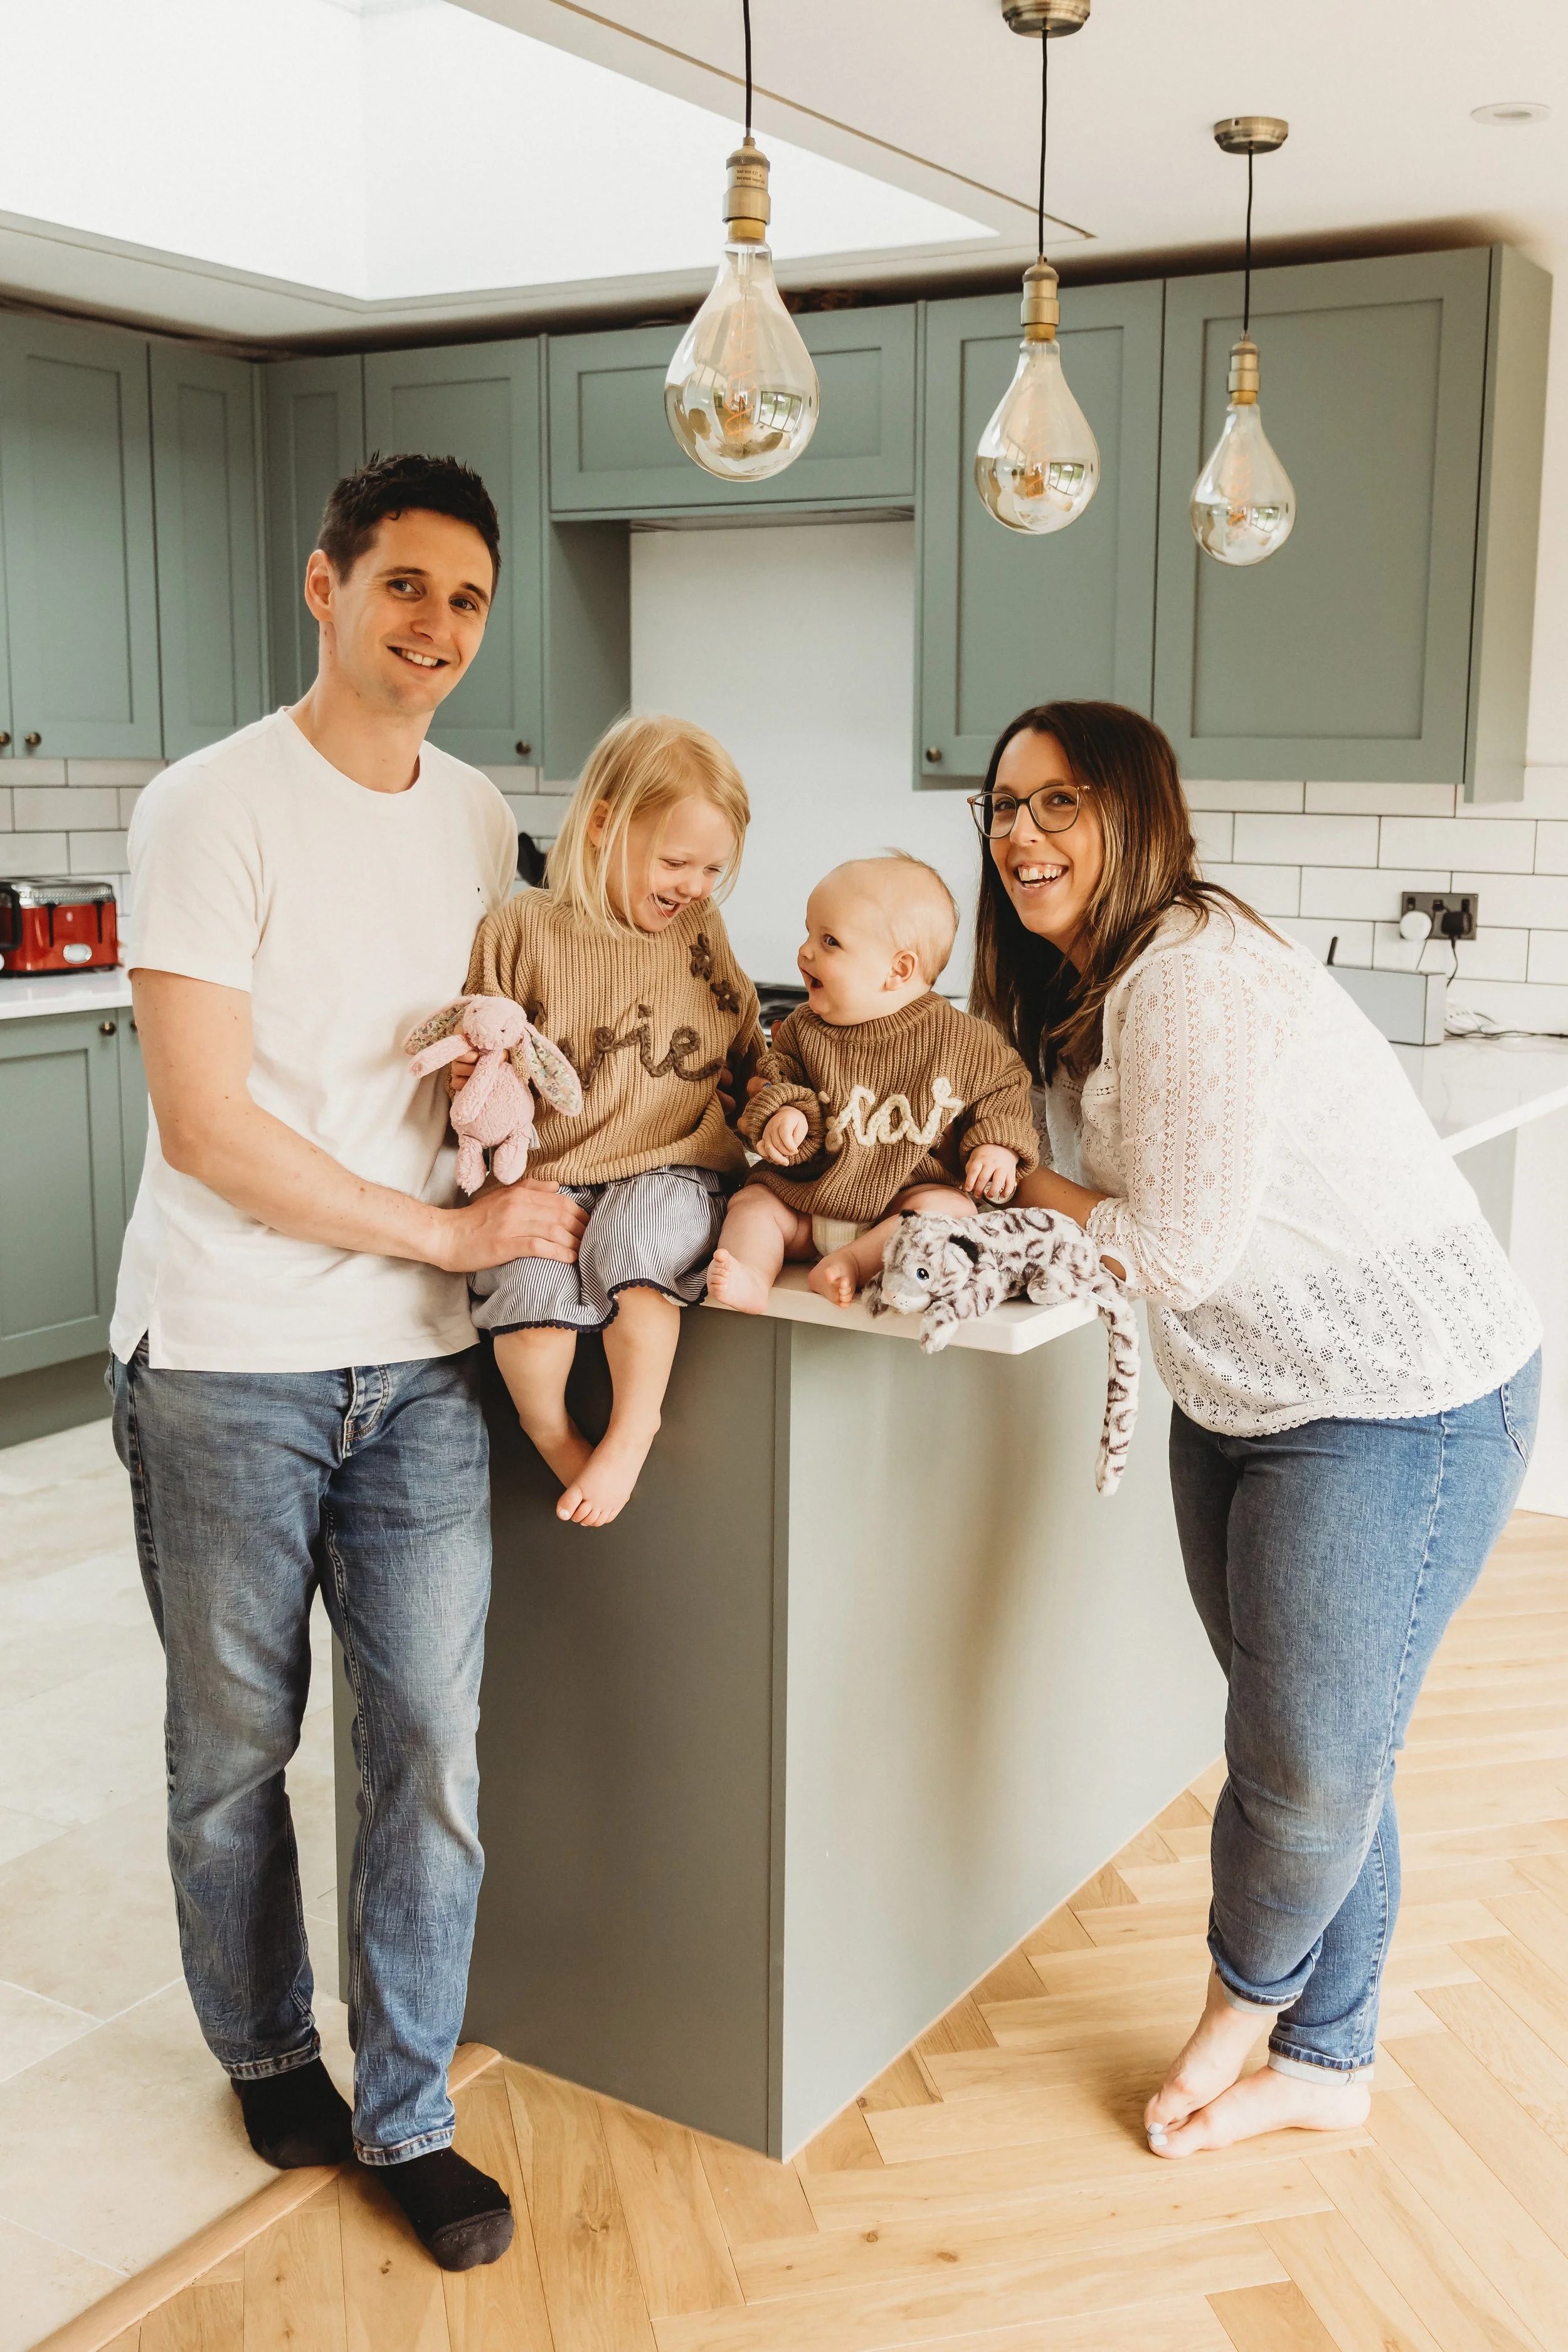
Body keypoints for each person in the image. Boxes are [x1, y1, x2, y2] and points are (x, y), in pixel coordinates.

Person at [109, 453, 585, 2273]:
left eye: (467, 599)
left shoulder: (477, 815)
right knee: (236, 1747)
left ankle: (407, 2110)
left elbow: (507, 1053)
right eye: (404, 586)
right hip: (230, 1356)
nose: (438, 628)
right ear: (325, 586)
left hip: (421, 1374)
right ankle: (264, 2047)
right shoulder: (207, 806)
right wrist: (457, 1244)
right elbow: (212, 1126)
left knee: (429, 1750)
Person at [967, 699, 1541, 2156]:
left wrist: (1017, 1187)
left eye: (1061, 804)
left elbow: (1172, 1250)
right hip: (1240, 1397)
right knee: (1322, 1744)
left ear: (1138, 812)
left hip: (1400, 1401)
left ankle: (1247, 2007)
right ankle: (1329, 2056)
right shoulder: (1089, 980)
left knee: (1303, 1760)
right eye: (1004, 805)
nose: (1021, 833)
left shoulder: (1189, 979)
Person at [464, 712, 762, 1527]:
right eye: (676, 861)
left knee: (636, 1256)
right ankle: (557, 1437)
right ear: (604, 823)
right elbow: (481, 1055)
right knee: (528, 1305)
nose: (696, 885)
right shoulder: (521, 930)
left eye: (712, 868)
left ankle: (632, 1429)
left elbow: (743, 1046)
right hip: (554, 1177)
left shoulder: (701, 930)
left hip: (669, 1162)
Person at [709, 853, 1036, 1311]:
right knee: (753, 1204)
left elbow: (1006, 1084)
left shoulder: (963, 1039)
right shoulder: (803, 1028)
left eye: (830, 941)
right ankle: (752, 1272)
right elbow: (774, 1075)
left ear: (898, 970)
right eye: (809, 933)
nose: (806, 951)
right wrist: (783, 1113)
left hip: (898, 1203)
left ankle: (851, 1264)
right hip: (805, 1198)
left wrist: (997, 1145)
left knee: (953, 1212)